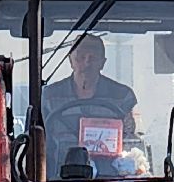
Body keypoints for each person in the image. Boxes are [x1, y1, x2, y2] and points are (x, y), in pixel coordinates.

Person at [41, 34, 138, 172]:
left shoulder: (122, 96)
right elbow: (36, 140)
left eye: (93, 57)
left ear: (103, 62)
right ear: (70, 60)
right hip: (58, 179)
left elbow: (132, 142)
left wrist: (130, 128)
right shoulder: (49, 96)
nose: (87, 62)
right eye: (81, 56)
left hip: (112, 181)